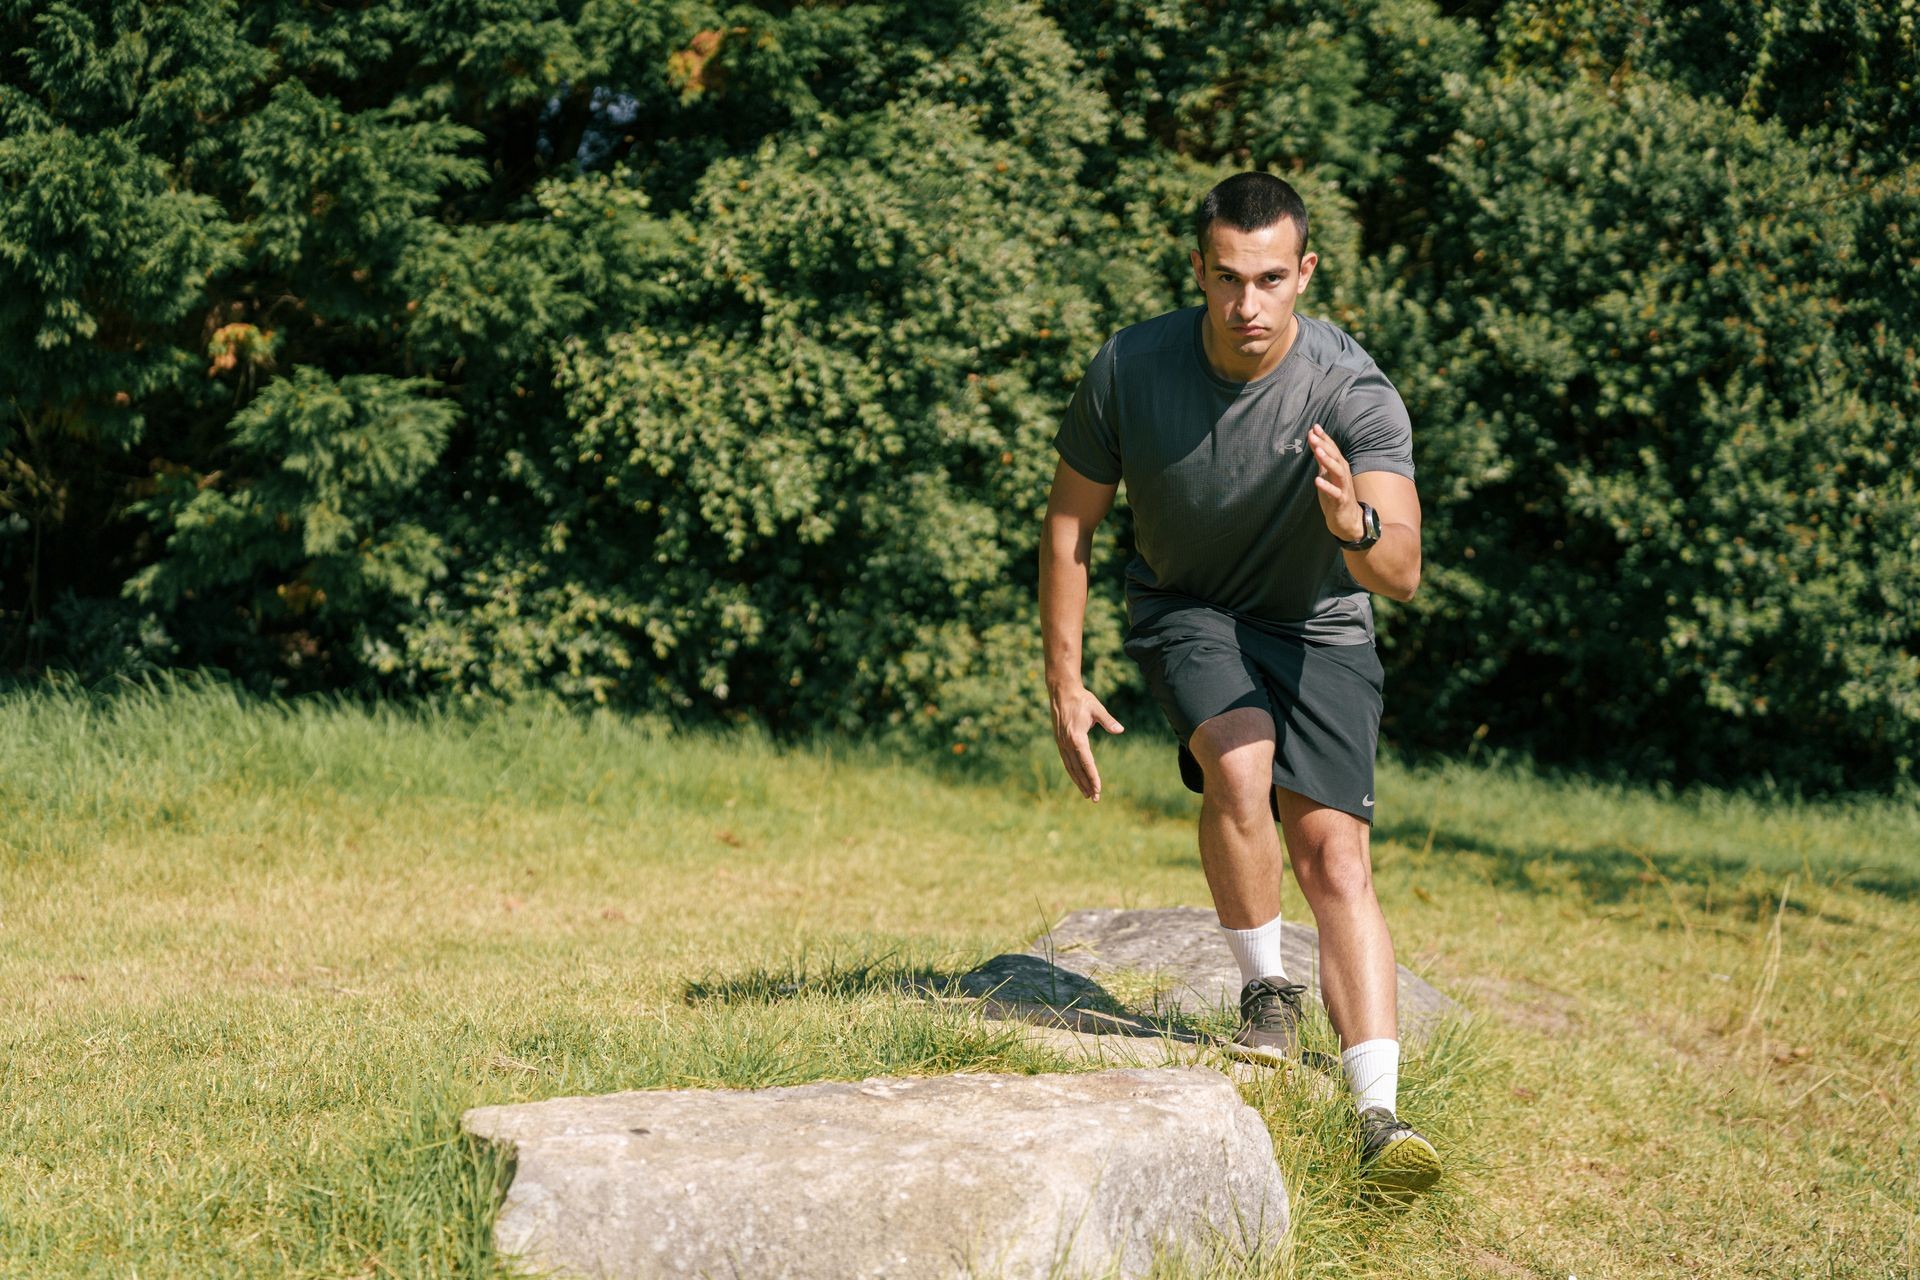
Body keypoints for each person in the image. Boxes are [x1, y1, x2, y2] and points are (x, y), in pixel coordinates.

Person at [1037, 171, 1440, 1194]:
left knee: (1335, 853)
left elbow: (1400, 572)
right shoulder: (1131, 366)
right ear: (1199, 271)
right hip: (1190, 606)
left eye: (1269, 278)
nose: (1247, 305)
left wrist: (1353, 518)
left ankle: (1378, 1113)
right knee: (1243, 760)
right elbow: (1072, 523)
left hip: (1321, 621)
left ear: (1305, 272)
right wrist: (1065, 679)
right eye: (1226, 278)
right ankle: (1267, 986)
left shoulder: (1353, 389)